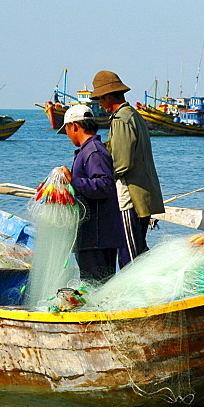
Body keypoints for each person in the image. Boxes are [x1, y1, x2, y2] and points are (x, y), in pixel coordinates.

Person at [90, 70, 165, 267]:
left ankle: (136, 295)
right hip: (142, 193)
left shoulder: (121, 119)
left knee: (130, 257)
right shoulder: (133, 115)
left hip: (130, 195)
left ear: (108, 96)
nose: (99, 104)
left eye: (100, 99)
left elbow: (122, 162)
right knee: (137, 249)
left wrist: (100, 180)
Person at [56, 104, 122, 282]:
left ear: (75, 126)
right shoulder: (88, 151)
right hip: (93, 236)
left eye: (68, 130)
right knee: (94, 285)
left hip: (98, 237)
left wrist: (72, 181)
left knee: (96, 286)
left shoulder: (93, 152)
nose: (68, 136)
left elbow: (104, 185)